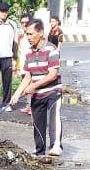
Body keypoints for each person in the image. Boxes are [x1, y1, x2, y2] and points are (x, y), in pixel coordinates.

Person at [10, 19, 63, 156]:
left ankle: (56, 146)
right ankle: (40, 150)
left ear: (40, 33)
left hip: (52, 91)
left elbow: (52, 75)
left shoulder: (51, 49)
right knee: (38, 122)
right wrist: (17, 94)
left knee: (53, 117)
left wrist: (34, 86)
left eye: (31, 34)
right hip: (37, 94)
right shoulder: (29, 53)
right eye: (27, 34)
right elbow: (27, 76)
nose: (28, 37)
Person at [17, 14, 32, 115]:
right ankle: (28, 105)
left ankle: (32, 107)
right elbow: (18, 52)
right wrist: (17, 67)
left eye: (26, 22)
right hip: (23, 65)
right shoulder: (21, 36)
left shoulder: (32, 35)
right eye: (22, 22)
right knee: (26, 87)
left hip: (31, 67)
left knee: (32, 87)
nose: (24, 24)